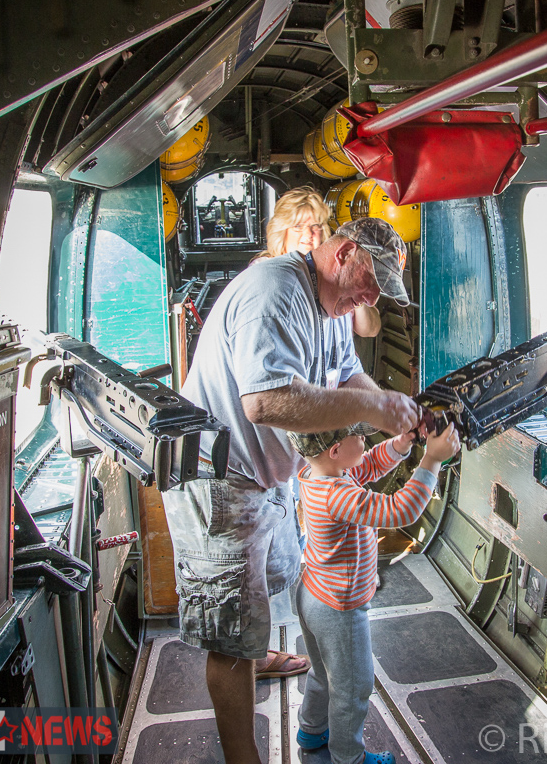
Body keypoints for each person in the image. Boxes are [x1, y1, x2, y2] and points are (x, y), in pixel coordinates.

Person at [162, 217, 420, 764]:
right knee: (230, 637)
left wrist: (394, 415)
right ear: (344, 254)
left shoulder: (335, 309)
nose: (371, 300)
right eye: (370, 283)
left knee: (260, 601)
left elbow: (348, 375)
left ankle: (256, 656)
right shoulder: (274, 292)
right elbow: (265, 402)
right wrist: (376, 408)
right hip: (219, 479)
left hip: (266, 476)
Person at [288, 421, 460, 764]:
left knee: (322, 673)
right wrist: (432, 460)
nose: (365, 440)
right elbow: (399, 510)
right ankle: (348, 757)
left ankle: (311, 729)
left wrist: (401, 443)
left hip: (312, 594)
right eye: (358, 436)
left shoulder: (317, 474)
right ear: (335, 450)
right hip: (339, 608)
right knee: (353, 688)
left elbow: (366, 464)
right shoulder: (337, 494)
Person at [255, 186, 382, 338]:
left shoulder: (333, 273)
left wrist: (356, 294)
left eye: (315, 226)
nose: (308, 233)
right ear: (282, 231)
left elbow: (370, 330)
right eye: (298, 226)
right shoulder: (266, 272)